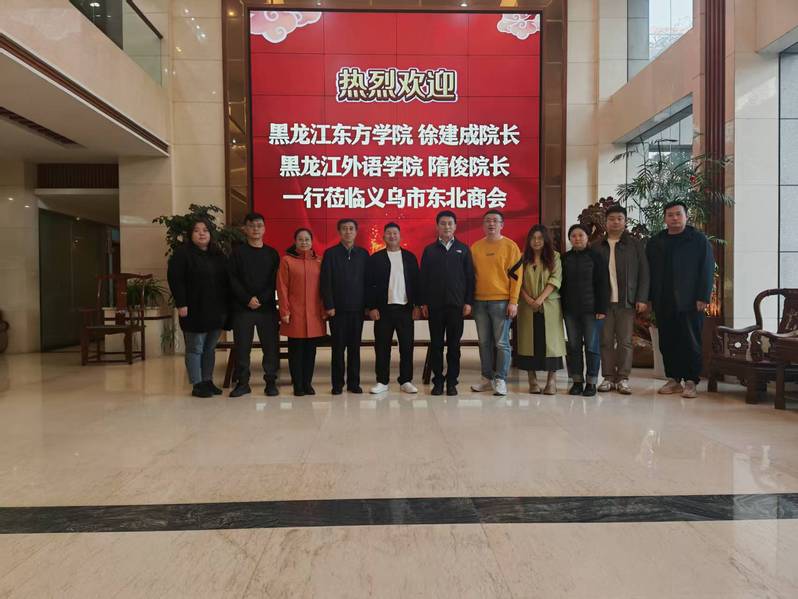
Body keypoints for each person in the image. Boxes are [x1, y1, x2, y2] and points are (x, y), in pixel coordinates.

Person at [646, 200, 714, 399]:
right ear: (665, 218)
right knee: (667, 341)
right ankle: (674, 379)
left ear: (686, 216)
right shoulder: (656, 241)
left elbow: (707, 269)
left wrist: (703, 296)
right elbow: (648, 272)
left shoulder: (698, 240)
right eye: (670, 215)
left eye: (678, 214)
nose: (674, 218)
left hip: (690, 300)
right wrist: (649, 298)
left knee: (690, 341)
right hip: (663, 300)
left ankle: (691, 381)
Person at [167, 219, 229, 398]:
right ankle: (197, 383)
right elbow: (176, 280)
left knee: (210, 348)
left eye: (205, 230)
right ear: (190, 234)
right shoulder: (182, 254)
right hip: (193, 309)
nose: (202, 233)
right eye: (197, 230)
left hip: (216, 309)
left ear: (211, 234)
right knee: (195, 347)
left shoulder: (218, 254)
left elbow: (226, 281)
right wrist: (181, 303)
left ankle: (207, 380)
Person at [592, 205, 650, 395]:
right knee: (606, 341)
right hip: (604, 303)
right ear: (605, 222)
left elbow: (644, 273)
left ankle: (623, 378)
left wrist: (642, 298)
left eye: (619, 218)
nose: (615, 222)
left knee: (625, 341)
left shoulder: (634, 245)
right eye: (611, 219)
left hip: (627, 301)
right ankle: (608, 377)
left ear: (625, 221)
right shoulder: (597, 246)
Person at [418, 210, 475, 396]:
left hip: (456, 306)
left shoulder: (463, 249)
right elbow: (423, 278)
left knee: (454, 346)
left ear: (455, 226)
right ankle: (438, 382)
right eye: (443, 223)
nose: (446, 226)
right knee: (436, 345)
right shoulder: (429, 250)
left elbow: (470, 277)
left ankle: (452, 382)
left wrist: (468, 302)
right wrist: (423, 303)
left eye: (450, 223)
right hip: (435, 306)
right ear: (437, 226)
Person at [228, 212, 281, 398]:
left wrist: (262, 299)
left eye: (259, 225)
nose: (255, 229)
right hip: (243, 309)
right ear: (245, 229)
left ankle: (271, 383)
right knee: (242, 348)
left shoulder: (272, 253)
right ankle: (243, 383)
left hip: (267, 309)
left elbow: (275, 280)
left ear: (264, 229)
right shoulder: (237, 253)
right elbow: (232, 279)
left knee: (270, 348)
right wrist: (247, 299)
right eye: (251, 226)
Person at [469, 210, 522, 396]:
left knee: (501, 343)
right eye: (487, 221)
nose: (491, 224)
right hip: (479, 302)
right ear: (483, 225)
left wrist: (513, 301)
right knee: (484, 342)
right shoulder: (475, 248)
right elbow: (470, 277)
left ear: (502, 225)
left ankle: (501, 379)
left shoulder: (510, 247)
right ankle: (486, 378)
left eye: (495, 221)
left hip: (501, 301)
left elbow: (517, 277)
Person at [366, 222, 421, 394]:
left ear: (400, 236)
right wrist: (372, 307)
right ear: (383, 237)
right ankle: (382, 381)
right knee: (382, 348)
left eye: (395, 233)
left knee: (407, 347)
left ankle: (406, 380)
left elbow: (417, 283)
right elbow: (369, 285)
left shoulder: (409, 257)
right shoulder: (375, 259)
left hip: (405, 309)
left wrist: (417, 305)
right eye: (388, 233)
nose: (392, 236)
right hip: (383, 310)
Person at [514, 224, 565, 395]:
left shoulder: (555, 257)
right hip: (527, 307)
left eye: (540, 238)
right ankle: (532, 381)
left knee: (551, 344)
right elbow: (516, 281)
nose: (536, 241)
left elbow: (555, 279)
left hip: (549, 305)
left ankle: (551, 381)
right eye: (533, 238)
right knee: (529, 343)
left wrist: (540, 299)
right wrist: (529, 300)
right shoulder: (522, 258)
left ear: (546, 240)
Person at [321, 218, 369, 395]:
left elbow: (368, 282)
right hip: (337, 310)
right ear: (339, 232)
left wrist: (367, 306)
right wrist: (329, 305)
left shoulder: (363, 254)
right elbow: (325, 281)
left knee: (354, 349)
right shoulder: (330, 254)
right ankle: (337, 384)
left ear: (356, 232)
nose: (348, 232)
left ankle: (354, 383)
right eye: (344, 229)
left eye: (351, 229)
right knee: (338, 348)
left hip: (357, 309)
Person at [560, 223, 609, 397]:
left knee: (592, 346)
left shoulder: (596, 257)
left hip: (592, 310)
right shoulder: (564, 258)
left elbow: (603, 284)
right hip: (570, 311)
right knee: (573, 347)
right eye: (573, 236)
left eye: (581, 235)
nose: (577, 238)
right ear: (570, 239)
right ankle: (576, 381)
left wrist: (602, 308)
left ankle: (591, 382)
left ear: (587, 237)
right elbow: (561, 286)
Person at [277, 228, 326, 397]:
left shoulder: (319, 261)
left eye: (307, 239)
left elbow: (324, 288)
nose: (304, 242)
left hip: (314, 314)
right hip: (294, 313)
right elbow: (282, 287)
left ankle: (307, 383)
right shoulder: (287, 260)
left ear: (312, 242)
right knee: (296, 351)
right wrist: (284, 310)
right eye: (300, 239)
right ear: (295, 241)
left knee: (311, 352)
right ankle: (297, 384)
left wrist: (324, 310)